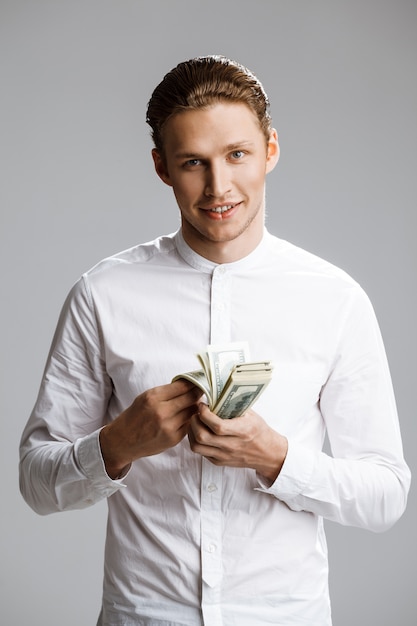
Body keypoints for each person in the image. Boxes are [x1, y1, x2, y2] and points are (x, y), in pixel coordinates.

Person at [19, 55, 411, 626]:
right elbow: (36, 482)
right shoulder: (102, 295)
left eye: (237, 155)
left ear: (270, 150)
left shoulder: (336, 299)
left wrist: (278, 459)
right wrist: (116, 445)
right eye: (193, 163)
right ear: (161, 167)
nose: (218, 186)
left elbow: (386, 494)